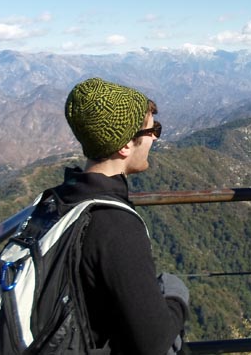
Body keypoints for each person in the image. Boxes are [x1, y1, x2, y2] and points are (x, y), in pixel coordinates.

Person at [60, 77, 189, 354]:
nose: (154, 137)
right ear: (125, 146)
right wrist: (177, 295)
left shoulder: (59, 200)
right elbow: (153, 342)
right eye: (152, 129)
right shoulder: (114, 226)